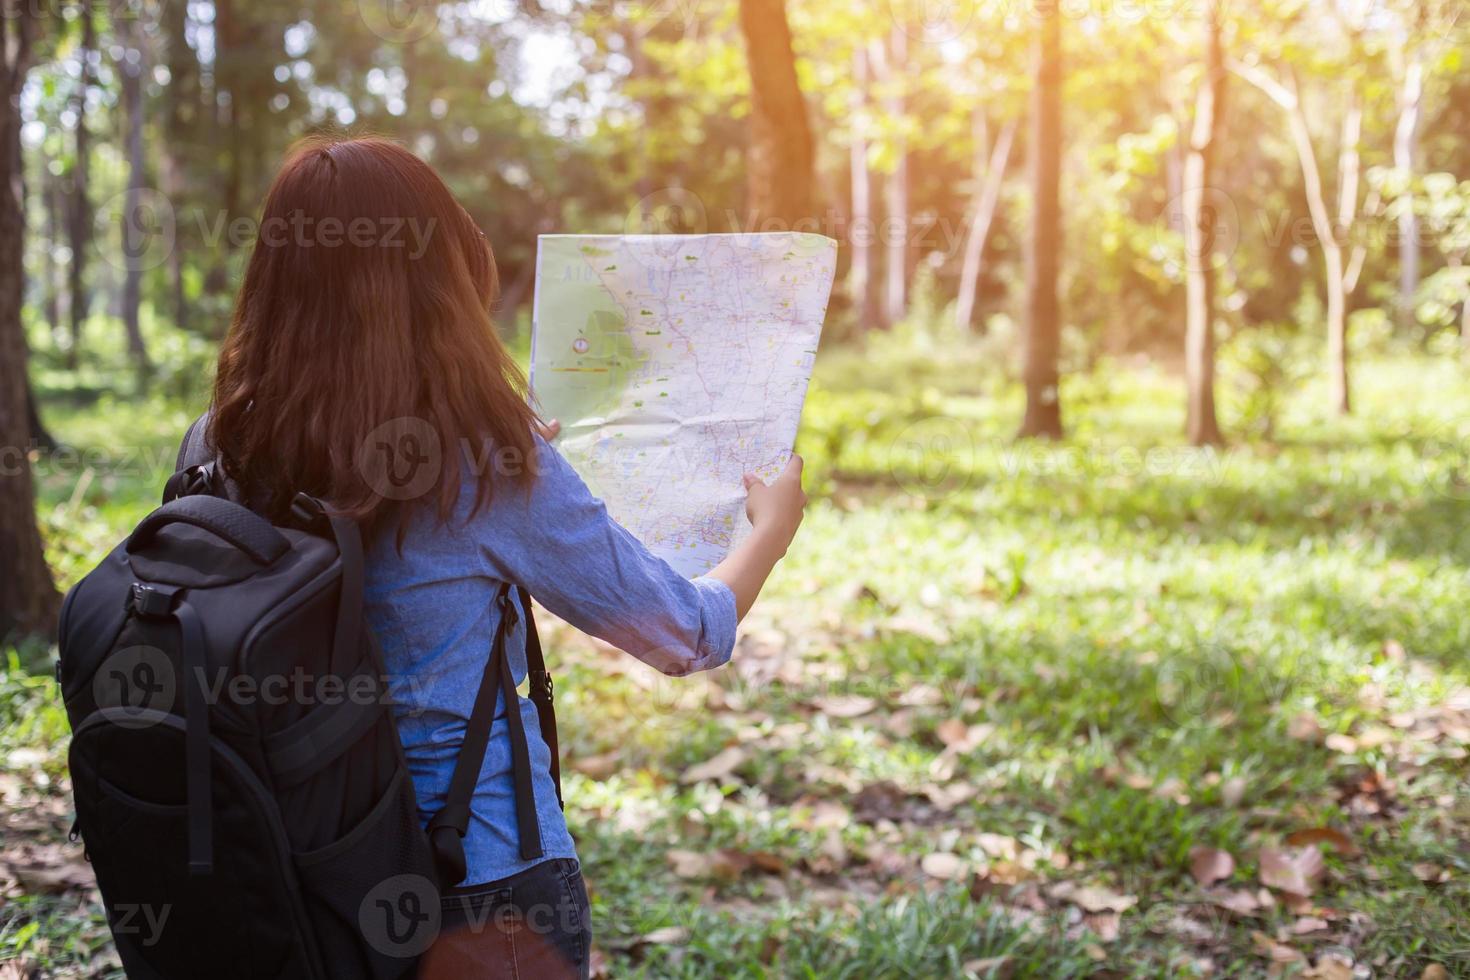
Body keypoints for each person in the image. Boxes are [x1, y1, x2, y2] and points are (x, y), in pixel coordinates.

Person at [206, 135, 806, 979]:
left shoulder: (228, 443)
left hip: (300, 874)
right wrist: (769, 530)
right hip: (480, 886)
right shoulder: (479, 461)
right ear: (440, 278)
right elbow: (687, 633)